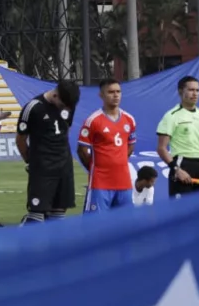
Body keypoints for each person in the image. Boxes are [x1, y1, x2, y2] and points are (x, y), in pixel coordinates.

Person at [16, 79, 80, 224]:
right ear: (56, 95)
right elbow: (20, 139)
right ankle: (22, 242)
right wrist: (30, 160)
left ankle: (54, 247)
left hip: (64, 168)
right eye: (63, 105)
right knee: (36, 216)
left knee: (58, 217)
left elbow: (66, 130)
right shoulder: (33, 107)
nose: (65, 108)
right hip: (42, 170)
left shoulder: (68, 105)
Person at [77, 77, 137, 213]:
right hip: (100, 182)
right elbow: (82, 149)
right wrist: (94, 168)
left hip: (124, 182)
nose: (115, 95)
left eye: (118, 91)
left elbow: (130, 146)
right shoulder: (93, 120)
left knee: (126, 224)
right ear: (101, 95)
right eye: (111, 92)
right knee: (96, 225)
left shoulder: (129, 119)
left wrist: (118, 161)